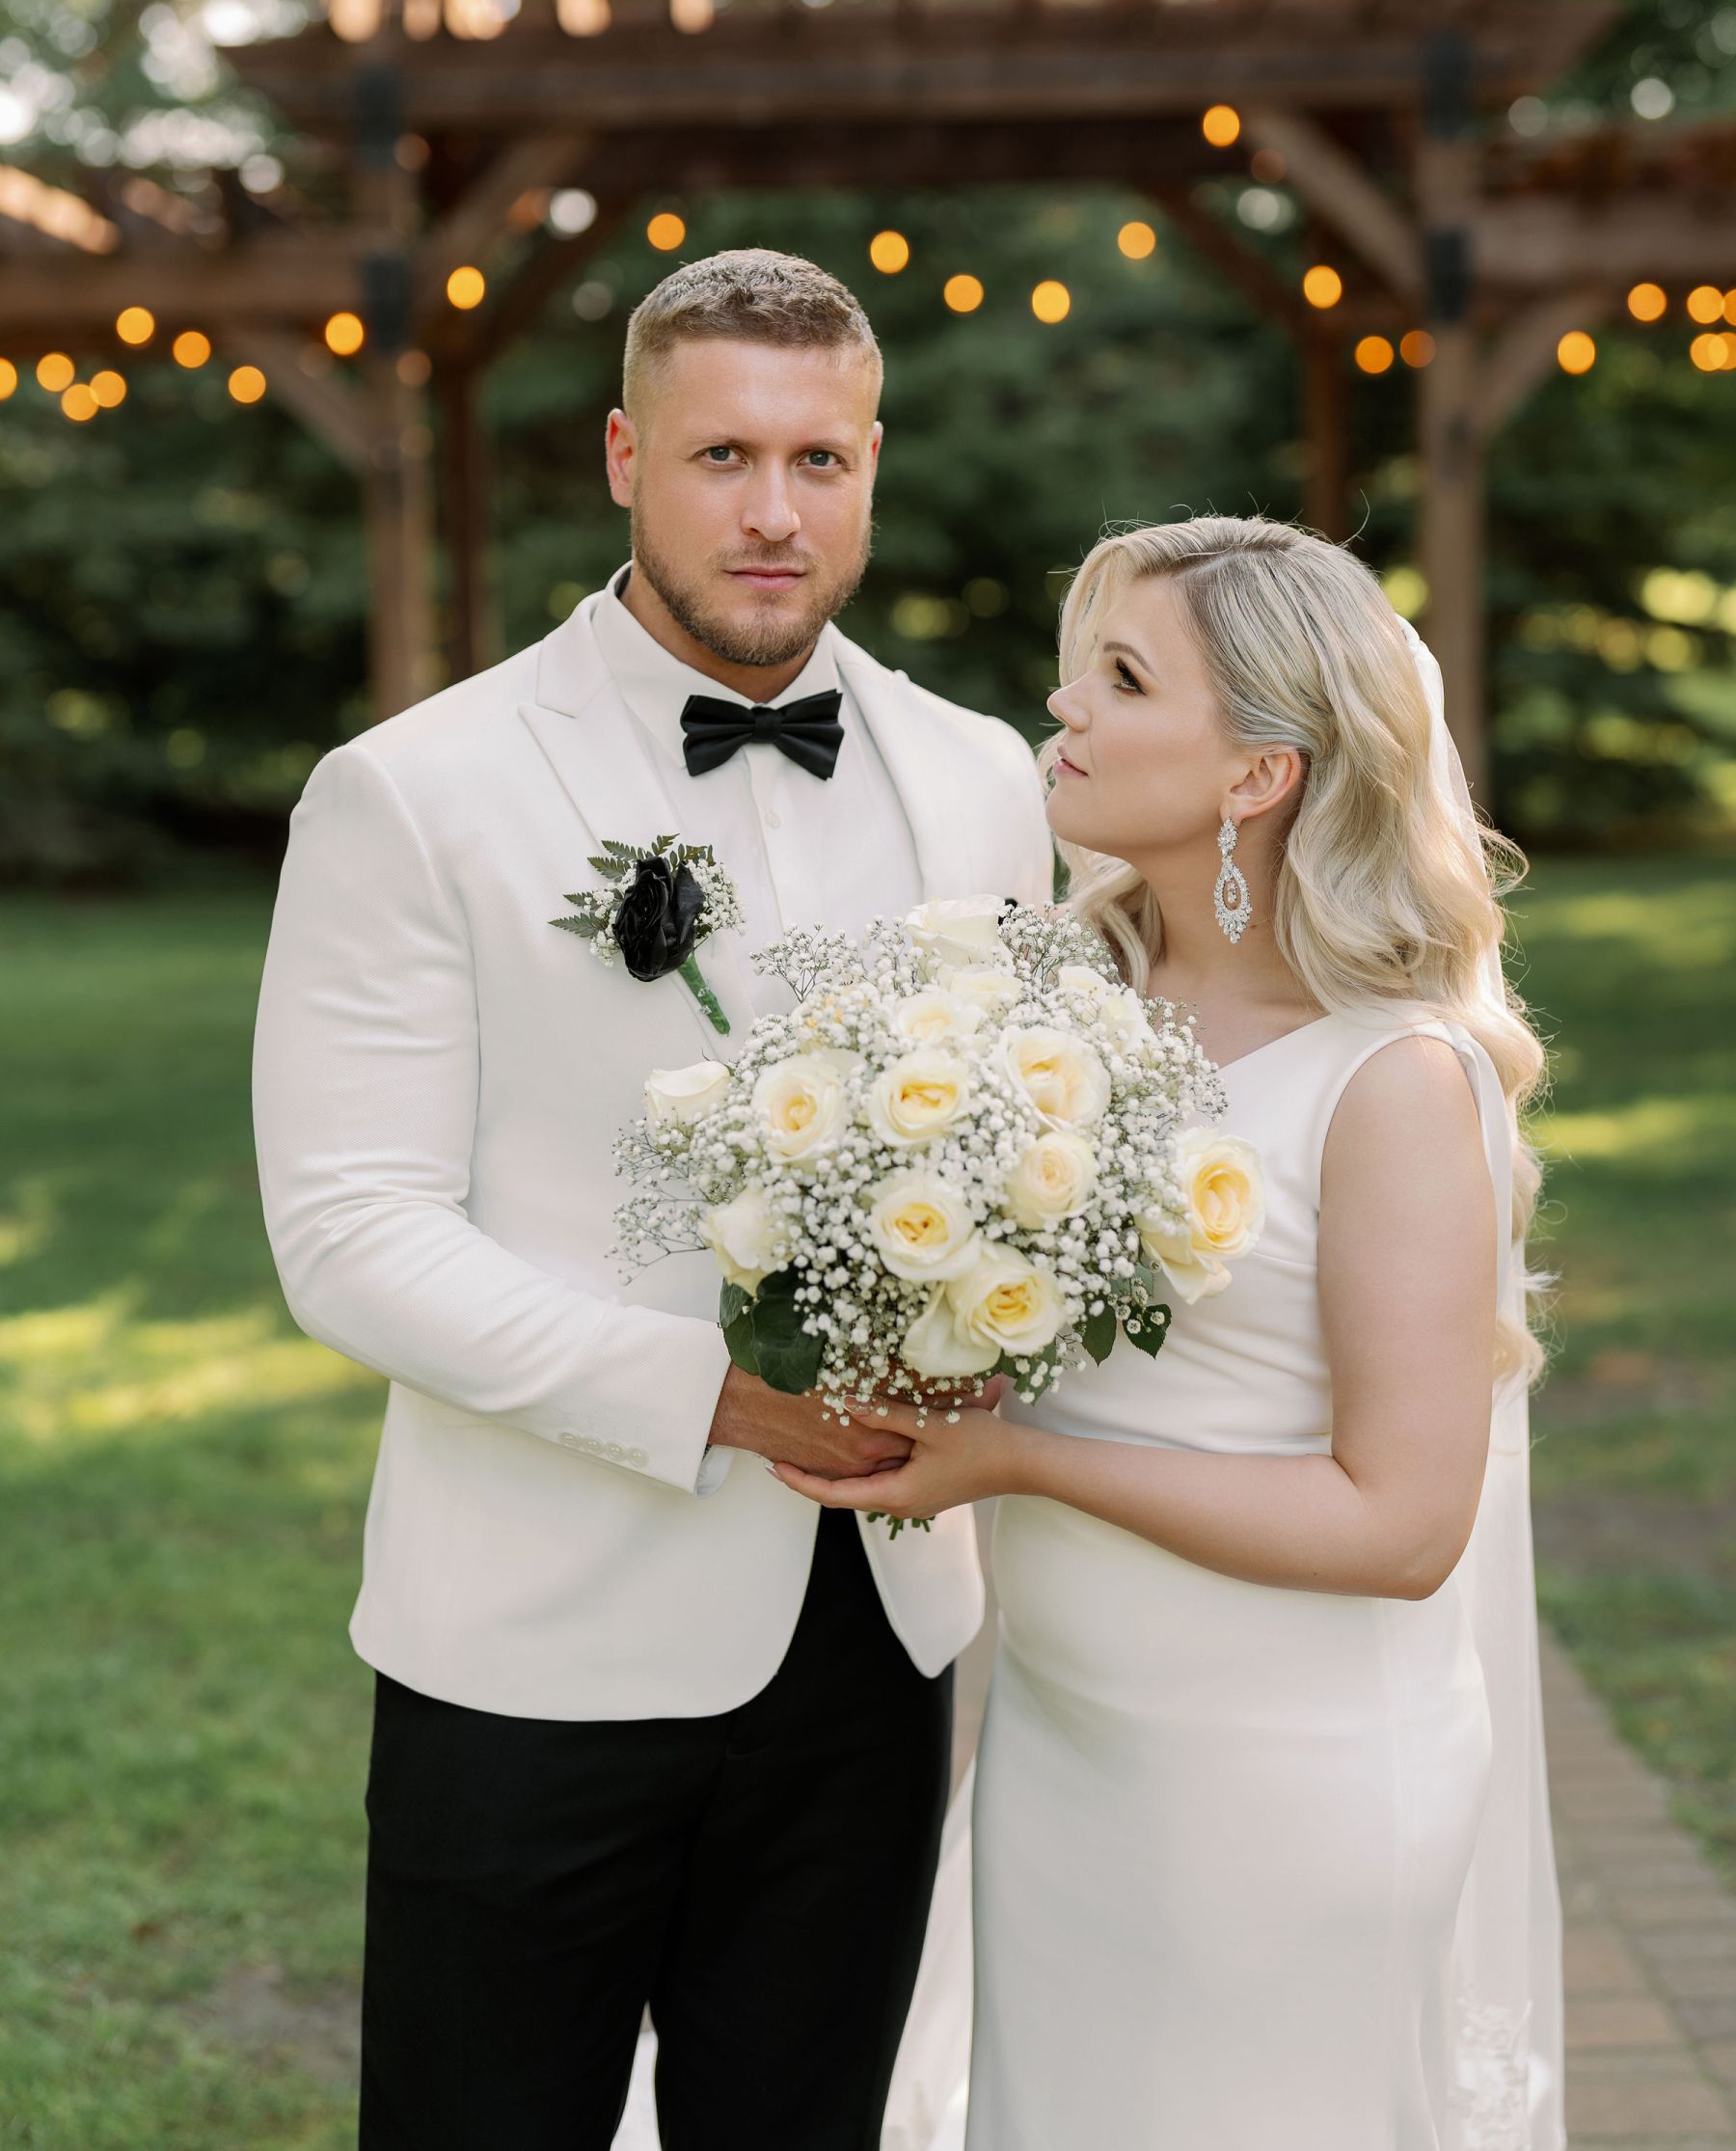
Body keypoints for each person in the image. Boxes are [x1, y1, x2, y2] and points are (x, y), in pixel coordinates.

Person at [251, 248, 1052, 2151]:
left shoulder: (983, 773)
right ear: (624, 456)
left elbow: (1031, 1143)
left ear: (872, 464)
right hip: (533, 1642)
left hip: (880, 1635)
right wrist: (715, 1399)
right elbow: (351, 1234)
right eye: (720, 456)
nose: (774, 514)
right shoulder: (415, 791)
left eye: (820, 460)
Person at [774, 515, 1564, 2151]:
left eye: (1122, 679)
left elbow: (1404, 1523)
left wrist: (1018, 1462)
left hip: (1288, 1788)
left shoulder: (1395, 1083)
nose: (1063, 710)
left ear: (1258, 774)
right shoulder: (1049, 1012)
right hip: (1074, 1752)